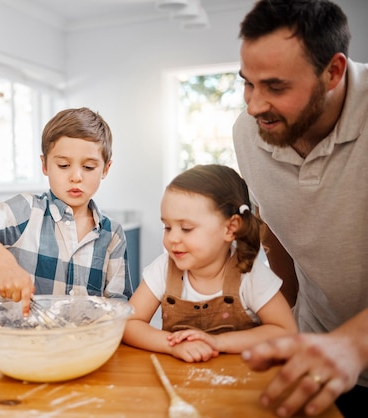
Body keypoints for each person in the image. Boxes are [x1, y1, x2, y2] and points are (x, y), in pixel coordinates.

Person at [233, 1, 368, 416]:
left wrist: (354, 343)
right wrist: (282, 324)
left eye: (275, 87)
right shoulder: (250, 131)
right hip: (317, 347)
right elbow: (276, 232)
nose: (254, 105)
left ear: (333, 72)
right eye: (247, 83)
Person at [0, 107, 133, 315]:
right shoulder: (28, 211)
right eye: (63, 165)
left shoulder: (113, 234)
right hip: (24, 345)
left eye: (89, 167)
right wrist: (5, 264)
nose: (76, 176)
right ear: (44, 165)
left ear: (106, 169)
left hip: (88, 346)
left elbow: (119, 308)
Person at [122, 164, 297, 363]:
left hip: (242, 383)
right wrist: (172, 346)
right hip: (178, 380)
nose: (173, 238)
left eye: (186, 228)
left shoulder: (249, 274)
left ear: (230, 228)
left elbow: (286, 332)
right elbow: (129, 324)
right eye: (167, 227)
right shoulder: (163, 269)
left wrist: (218, 342)